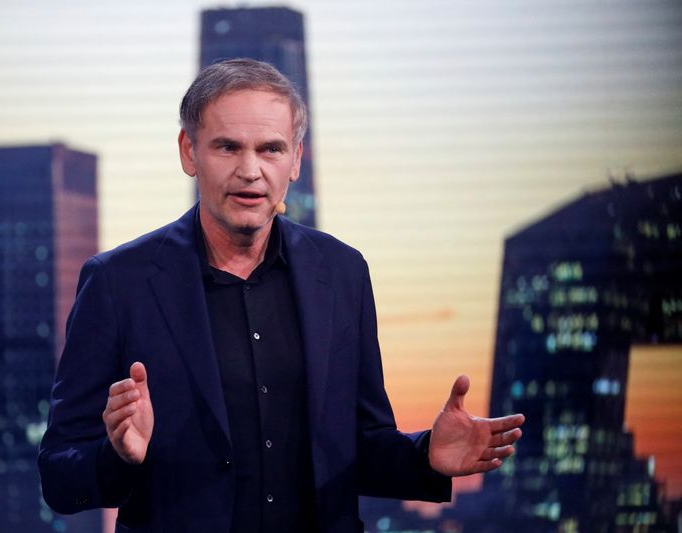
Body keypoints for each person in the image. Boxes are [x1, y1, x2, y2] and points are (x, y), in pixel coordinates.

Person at [38, 58, 524, 533]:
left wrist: (427, 457)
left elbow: (359, 447)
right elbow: (61, 480)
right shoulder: (118, 282)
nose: (250, 170)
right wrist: (120, 457)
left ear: (295, 159)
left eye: (270, 149)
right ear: (189, 151)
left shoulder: (341, 272)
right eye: (227, 147)